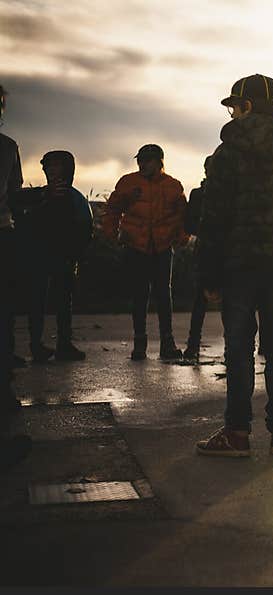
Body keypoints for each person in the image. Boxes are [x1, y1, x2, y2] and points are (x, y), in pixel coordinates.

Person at [195, 74, 273, 457]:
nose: (232, 113)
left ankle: (236, 433)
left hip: (237, 267)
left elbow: (212, 218)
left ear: (246, 106)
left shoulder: (226, 155)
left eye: (235, 105)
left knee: (238, 348)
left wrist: (208, 273)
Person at [103, 144, 188, 361]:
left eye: (147, 160)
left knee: (163, 295)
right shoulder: (128, 183)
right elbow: (112, 210)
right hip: (136, 247)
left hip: (161, 247)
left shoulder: (173, 186)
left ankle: (167, 343)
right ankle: (139, 344)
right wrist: (114, 235)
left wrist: (181, 238)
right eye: (140, 160)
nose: (142, 164)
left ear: (159, 162)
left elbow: (181, 217)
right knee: (140, 295)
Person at [14, 151, 92, 362]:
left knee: (61, 302)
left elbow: (85, 229)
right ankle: (39, 346)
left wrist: (75, 255)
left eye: (57, 165)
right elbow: (21, 224)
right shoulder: (38, 196)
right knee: (38, 301)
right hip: (38, 257)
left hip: (63, 258)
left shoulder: (74, 198)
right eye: (49, 166)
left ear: (68, 169)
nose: (52, 170)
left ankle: (62, 345)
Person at [0, 84, 22, 414]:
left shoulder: (8, 147)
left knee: (4, 313)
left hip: (2, 230)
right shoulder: (7, 147)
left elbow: (14, 191)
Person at [182, 157, 211, 362]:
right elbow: (189, 224)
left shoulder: (197, 194)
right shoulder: (199, 195)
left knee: (200, 301)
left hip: (206, 250)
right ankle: (193, 344)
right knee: (202, 300)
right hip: (208, 250)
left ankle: (193, 345)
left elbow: (190, 225)